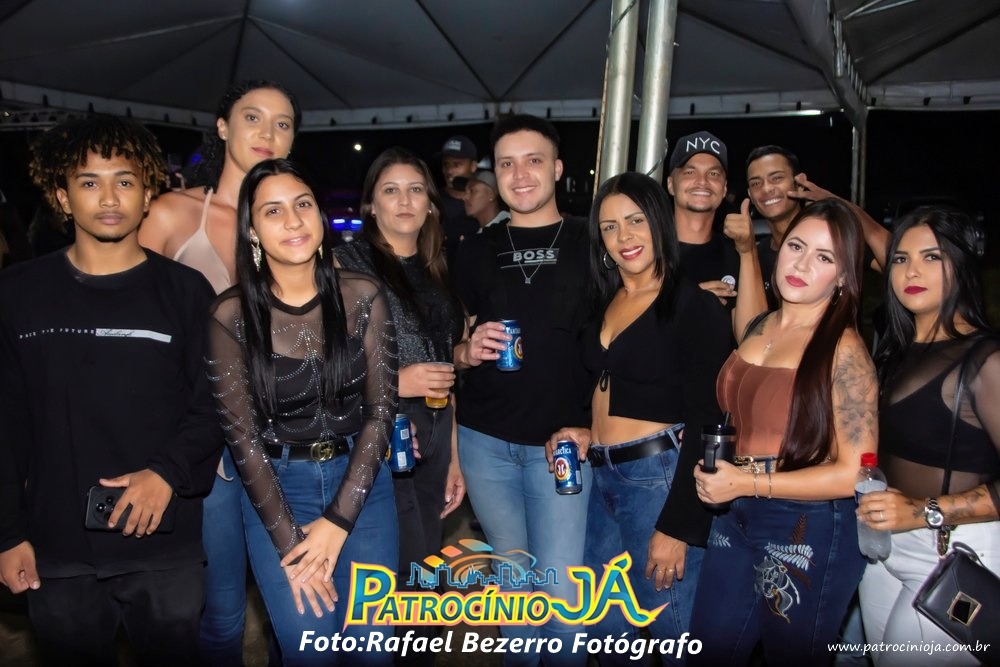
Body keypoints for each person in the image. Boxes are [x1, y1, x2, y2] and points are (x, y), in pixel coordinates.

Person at [0, 114, 221, 665]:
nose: (108, 197)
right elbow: (4, 424)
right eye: (88, 182)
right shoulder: (17, 293)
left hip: (164, 545)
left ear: (147, 196)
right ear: (62, 196)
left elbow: (215, 402)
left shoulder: (186, 291)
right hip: (57, 548)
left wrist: (166, 473)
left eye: (124, 181)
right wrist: (7, 534)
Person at [206, 158, 398, 666]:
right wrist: (292, 543)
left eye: (303, 204)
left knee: (373, 654)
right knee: (311, 651)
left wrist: (338, 520)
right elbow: (242, 439)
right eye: (273, 211)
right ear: (252, 231)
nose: (293, 221)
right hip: (277, 489)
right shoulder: (230, 315)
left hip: (363, 485)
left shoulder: (363, 295)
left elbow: (381, 411)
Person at [140, 79, 300, 665]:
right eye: (252, 117)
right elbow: (135, 334)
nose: (268, 133)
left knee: (296, 604)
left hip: (286, 440)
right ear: (223, 127)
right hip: (207, 448)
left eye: (283, 123)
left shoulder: (292, 222)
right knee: (223, 610)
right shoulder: (172, 212)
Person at [546, 172, 731, 665]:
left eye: (635, 221)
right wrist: (584, 428)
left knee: (673, 631)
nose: (623, 236)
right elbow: (603, 385)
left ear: (659, 223)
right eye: (609, 227)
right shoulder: (605, 300)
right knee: (607, 629)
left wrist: (680, 526)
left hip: (661, 479)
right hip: (600, 478)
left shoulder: (694, 305)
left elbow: (711, 420)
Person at [689, 199, 878, 665]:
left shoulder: (844, 351)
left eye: (824, 256)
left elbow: (854, 473)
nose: (802, 264)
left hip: (805, 521)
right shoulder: (761, 325)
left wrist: (748, 481)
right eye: (796, 246)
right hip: (734, 508)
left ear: (843, 276)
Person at [452, 114, 593, 667]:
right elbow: (452, 343)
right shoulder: (474, 249)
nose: (520, 174)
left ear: (557, 168)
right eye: (507, 164)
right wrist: (465, 351)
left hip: (561, 446)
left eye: (534, 160)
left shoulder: (593, 240)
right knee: (513, 594)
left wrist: (595, 426)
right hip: (485, 443)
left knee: (562, 601)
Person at [333, 147, 465, 667]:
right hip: (378, 428)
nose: (405, 200)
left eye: (415, 190)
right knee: (400, 572)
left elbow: (446, 368)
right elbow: (319, 365)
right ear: (371, 205)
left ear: (431, 203)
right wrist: (395, 380)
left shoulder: (438, 268)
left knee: (424, 564)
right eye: (391, 190)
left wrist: (454, 457)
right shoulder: (345, 264)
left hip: (435, 427)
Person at [858, 206, 999, 666]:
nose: (911, 270)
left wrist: (926, 511)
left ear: (962, 266)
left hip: (953, 549)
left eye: (931, 257)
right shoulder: (894, 353)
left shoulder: (986, 360)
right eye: (900, 258)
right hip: (883, 548)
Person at [745, 145, 890, 310]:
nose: (766, 188)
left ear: (799, 184)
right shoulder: (754, 257)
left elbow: (899, 263)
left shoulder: (834, 238)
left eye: (776, 178)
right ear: (750, 195)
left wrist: (840, 205)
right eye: (756, 183)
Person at [666, 131, 764, 327]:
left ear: (724, 188)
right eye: (690, 172)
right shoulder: (646, 250)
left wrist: (748, 251)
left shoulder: (737, 256)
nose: (702, 181)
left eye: (713, 174)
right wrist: (690, 300)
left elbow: (754, 335)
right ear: (670, 185)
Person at [438, 135, 481, 264]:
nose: (449, 171)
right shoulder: (434, 201)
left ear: (473, 166)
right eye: (446, 164)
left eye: (457, 164)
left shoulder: (485, 201)